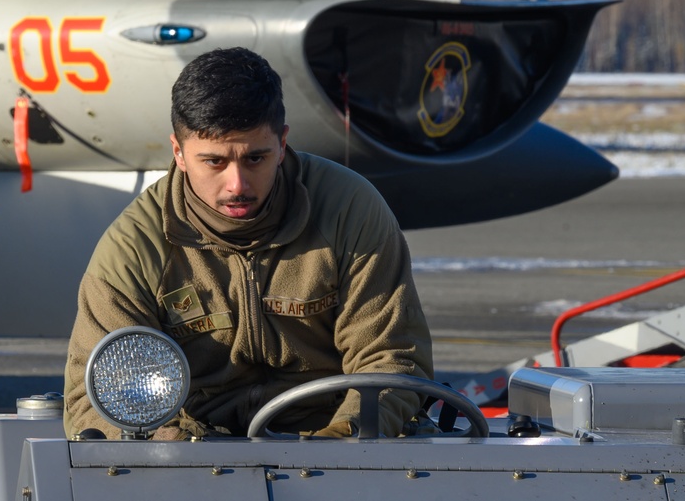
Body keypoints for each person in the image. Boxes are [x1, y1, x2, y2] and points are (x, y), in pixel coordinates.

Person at [63, 47, 432, 439]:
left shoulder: (348, 209)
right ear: (179, 153)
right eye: (215, 162)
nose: (237, 185)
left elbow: (389, 359)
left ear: (283, 143)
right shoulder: (134, 247)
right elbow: (94, 399)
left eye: (256, 158)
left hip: (330, 438)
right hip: (193, 450)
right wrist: (180, 453)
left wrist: (340, 444)